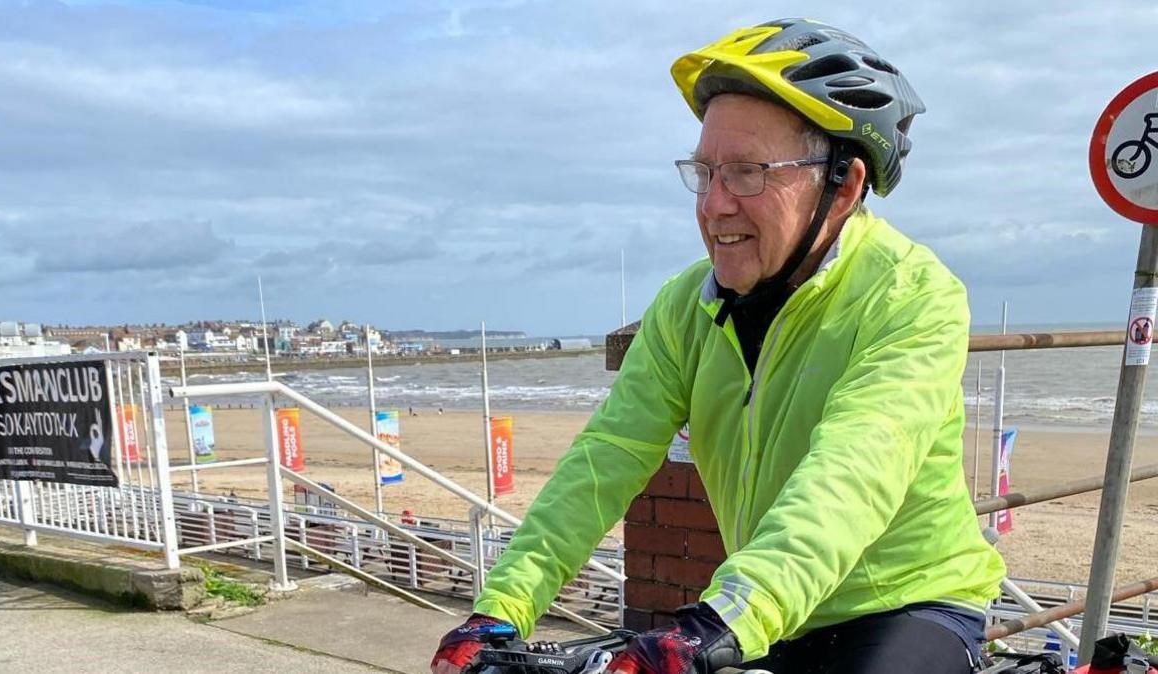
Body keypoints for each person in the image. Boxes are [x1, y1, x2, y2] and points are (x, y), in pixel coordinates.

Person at [431, 18, 1005, 674]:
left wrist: (726, 617)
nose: (715, 205)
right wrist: (501, 607)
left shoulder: (912, 295)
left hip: (907, 606)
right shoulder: (686, 308)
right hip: (761, 609)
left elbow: (854, 469)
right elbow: (607, 457)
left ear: (842, 186)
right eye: (704, 173)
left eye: (748, 173)